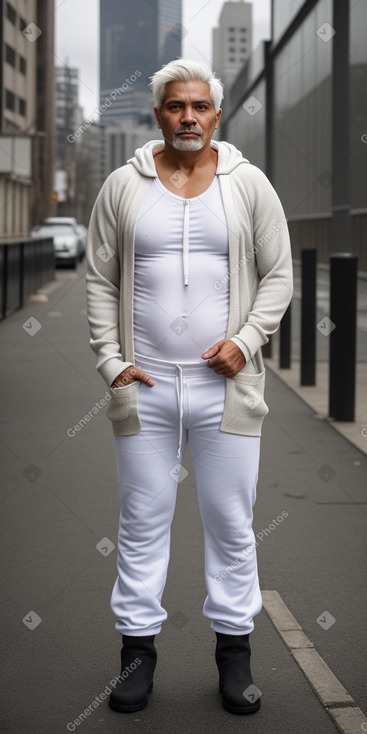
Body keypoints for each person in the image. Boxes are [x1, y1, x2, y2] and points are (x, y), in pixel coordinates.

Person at [86, 58, 293, 716]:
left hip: (223, 390)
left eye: (199, 107)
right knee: (142, 523)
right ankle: (136, 658)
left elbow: (278, 275)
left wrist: (245, 341)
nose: (187, 118)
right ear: (157, 115)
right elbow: (97, 277)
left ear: (216, 114)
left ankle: (234, 657)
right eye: (175, 106)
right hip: (143, 387)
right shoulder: (123, 186)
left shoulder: (247, 185)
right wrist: (111, 362)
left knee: (230, 524)